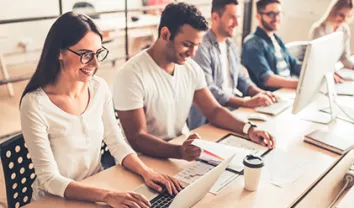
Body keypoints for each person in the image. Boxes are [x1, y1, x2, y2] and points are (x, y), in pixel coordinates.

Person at [20, 12, 181, 207]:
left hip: (94, 187)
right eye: (86, 55)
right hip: (54, 200)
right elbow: (49, 178)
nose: (96, 64)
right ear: (59, 52)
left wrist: (147, 172)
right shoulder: (35, 104)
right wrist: (106, 195)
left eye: (98, 53)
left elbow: (116, 142)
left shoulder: (99, 88)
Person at [113, 2, 275, 163]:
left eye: (196, 46)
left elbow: (213, 110)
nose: (192, 53)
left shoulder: (190, 68)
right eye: (187, 45)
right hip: (142, 160)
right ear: (165, 34)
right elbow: (137, 138)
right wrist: (179, 151)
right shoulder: (130, 75)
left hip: (178, 151)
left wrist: (249, 129)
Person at [188, 0, 279, 130]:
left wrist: (260, 93)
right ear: (215, 17)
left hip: (233, 112)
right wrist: (245, 102)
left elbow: (242, 79)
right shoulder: (201, 47)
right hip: (207, 121)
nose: (237, 23)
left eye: (238, 17)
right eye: (232, 17)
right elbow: (209, 90)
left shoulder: (231, 44)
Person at [241, 0, 301, 91]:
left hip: (287, 91)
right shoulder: (252, 43)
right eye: (271, 14)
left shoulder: (276, 39)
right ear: (258, 16)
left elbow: (294, 64)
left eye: (279, 14)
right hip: (272, 95)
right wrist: (299, 84)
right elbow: (267, 79)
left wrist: (315, 73)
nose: (276, 18)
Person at [309, 0, 354, 75]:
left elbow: (344, 57)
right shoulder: (319, 30)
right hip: (319, 72)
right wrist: (330, 73)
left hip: (333, 71)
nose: (345, 20)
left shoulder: (344, 30)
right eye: (342, 15)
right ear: (334, 11)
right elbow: (317, 60)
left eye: (348, 16)